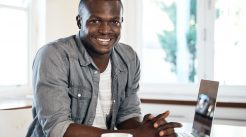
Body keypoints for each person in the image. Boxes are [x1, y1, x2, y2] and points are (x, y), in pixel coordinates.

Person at [27, 0, 182, 137]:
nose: (105, 30)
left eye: (114, 22)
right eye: (95, 21)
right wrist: (134, 135)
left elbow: (127, 115)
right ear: (79, 22)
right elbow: (58, 130)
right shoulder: (53, 56)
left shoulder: (129, 58)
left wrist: (151, 129)